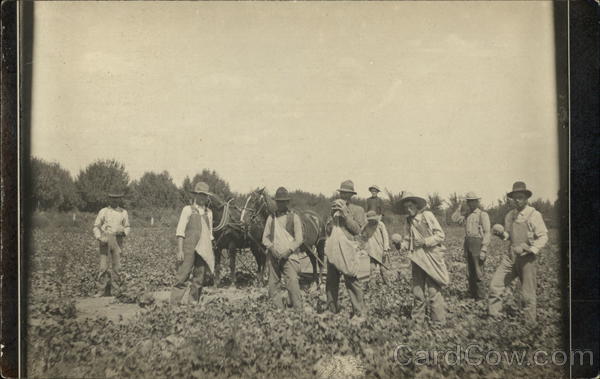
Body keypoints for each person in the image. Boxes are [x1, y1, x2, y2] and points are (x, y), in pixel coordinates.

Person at [488, 181, 548, 322]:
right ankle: (493, 317)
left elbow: (544, 236)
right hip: (511, 256)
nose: (517, 200)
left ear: (526, 198)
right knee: (495, 285)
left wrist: (531, 249)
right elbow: (508, 235)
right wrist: (501, 233)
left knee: (527, 293)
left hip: (527, 258)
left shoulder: (534, 214)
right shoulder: (510, 215)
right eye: (515, 197)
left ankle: (529, 324)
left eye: (520, 197)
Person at [399, 193, 449, 325]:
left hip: (431, 257)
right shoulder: (408, 221)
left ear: (416, 206)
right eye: (406, 208)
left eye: (410, 206)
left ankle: (438, 322)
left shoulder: (427, 216)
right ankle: (417, 321)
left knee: (433, 291)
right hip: (417, 259)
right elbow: (407, 239)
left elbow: (440, 235)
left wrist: (425, 241)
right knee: (417, 291)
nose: (408, 210)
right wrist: (401, 245)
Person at [325, 180, 367, 320]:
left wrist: (346, 215)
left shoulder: (358, 210)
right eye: (342, 193)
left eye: (347, 193)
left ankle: (359, 313)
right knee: (331, 280)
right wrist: (332, 217)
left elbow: (357, 230)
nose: (344, 196)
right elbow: (328, 230)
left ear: (351, 195)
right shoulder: (334, 209)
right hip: (334, 247)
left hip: (348, 248)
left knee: (351, 279)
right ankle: (331, 310)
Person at [171, 182, 215, 304]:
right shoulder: (188, 210)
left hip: (203, 248)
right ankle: (174, 305)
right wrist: (180, 250)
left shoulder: (209, 213)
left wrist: (210, 253)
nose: (203, 198)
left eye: (205, 196)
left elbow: (210, 235)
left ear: (207, 197)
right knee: (182, 275)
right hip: (188, 247)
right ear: (196, 195)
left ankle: (193, 303)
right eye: (200, 195)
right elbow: (180, 232)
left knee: (199, 278)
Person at [261, 187, 304, 310]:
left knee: (292, 283)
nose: (280, 204)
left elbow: (299, 239)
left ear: (287, 202)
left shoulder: (294, 217)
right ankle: (278, 310)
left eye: (283, 201)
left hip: (289, 257)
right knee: (273, 285)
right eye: (278, 201)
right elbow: (265, 238)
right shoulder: (271, 218)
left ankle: (298, 310)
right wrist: (272, 249)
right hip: (273, 256)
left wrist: (288, 251)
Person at [92, 192, 130, 297]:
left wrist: (123, 232)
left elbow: (127, 226)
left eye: (117, 198)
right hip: (105, 238)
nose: (115, 200)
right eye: (113, 198)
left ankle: (115, 291)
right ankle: (101, 290)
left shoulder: (123, 212)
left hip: (118, 240)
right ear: (109, 199)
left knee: (117, 267)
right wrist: (99, 237)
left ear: (120, 199)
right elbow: (96, 226)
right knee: (103, 266)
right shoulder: (103, 211)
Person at [454, 192, 491, 300]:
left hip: (477, 244)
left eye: (473, 201)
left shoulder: (482, 215)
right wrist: (459, 207)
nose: (470, 203)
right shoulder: (467, 215)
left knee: (478, 271)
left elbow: (487, 232)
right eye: (469, 201)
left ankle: (481, 297)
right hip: (468, 243)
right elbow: (455, 219)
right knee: (469, 272)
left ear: (477, 202)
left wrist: (484, 249)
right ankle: (472, 295)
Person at [361, 210, 391, 286]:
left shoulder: (380, 225)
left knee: (383, 269)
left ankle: (388, 284)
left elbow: (385, 237)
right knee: (372, 269)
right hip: (372, 250)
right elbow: (363, 235)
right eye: (369, 220)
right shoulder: (367, 226)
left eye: (372, 219)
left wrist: (385, 249)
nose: (371, 221)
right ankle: (372, 285)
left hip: (381, 249)